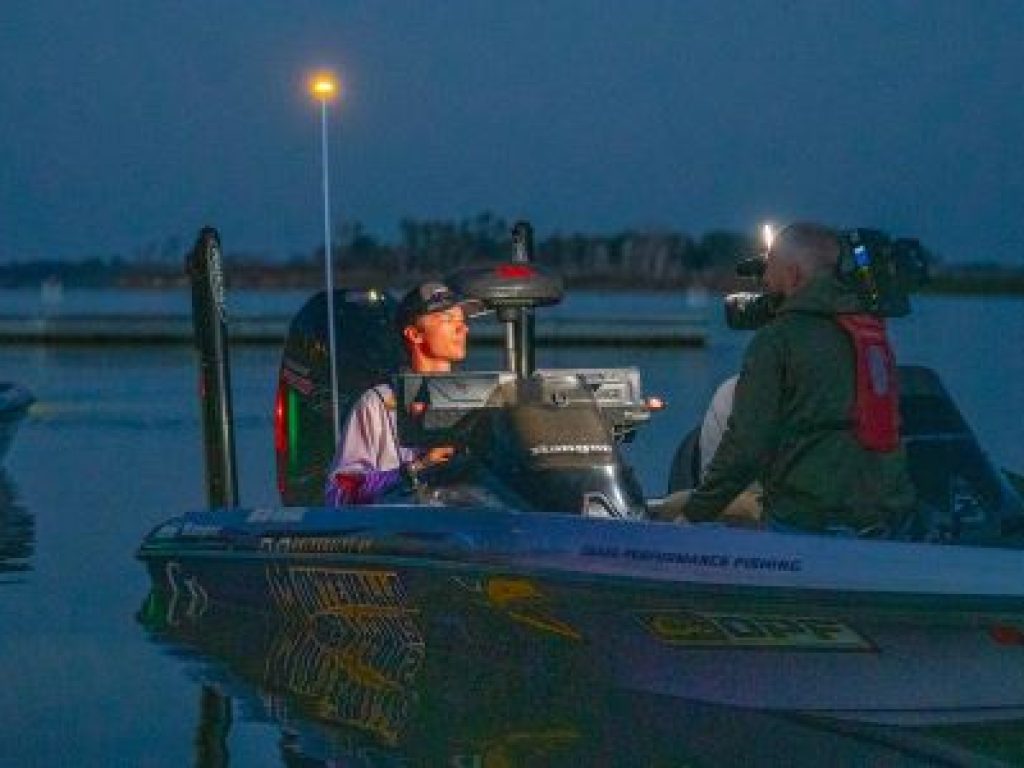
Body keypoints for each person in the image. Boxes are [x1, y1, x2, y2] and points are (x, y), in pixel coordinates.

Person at [676, 222, 916, 534]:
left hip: (807, 522)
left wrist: (693, 516)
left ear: (793, 275)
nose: (763, 280)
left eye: (769, 269)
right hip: (883, 518)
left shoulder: (778, 340)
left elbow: (745, 449)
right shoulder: (871, 334)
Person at [325, 281, 479, 505]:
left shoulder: (481, 400)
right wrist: (416, 469)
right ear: (415, 334)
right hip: (401, 531)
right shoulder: (376, 404)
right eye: (448, 319)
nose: (463, 328)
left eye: (462, 320)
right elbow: (337, 493)